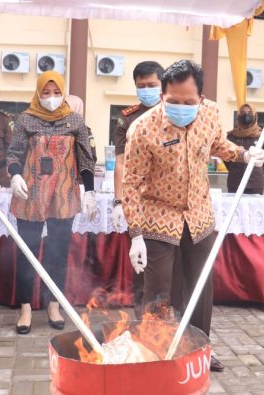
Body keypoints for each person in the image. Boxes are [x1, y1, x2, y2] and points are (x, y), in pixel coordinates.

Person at [122, 60, 264, 372]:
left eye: (189, 102)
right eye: (173, 101)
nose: (181, 107)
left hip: (199, 217)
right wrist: (135, 236)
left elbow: (218, 144)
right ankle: (157, 354)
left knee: (200, 288)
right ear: (163, 95)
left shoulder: (210, 114)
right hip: (157, 218)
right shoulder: (143, 129)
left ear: (201, 99)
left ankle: (198, 350)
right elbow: (130, 184)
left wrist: (244, 155)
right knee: (159, 291)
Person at [6, 71, 98, 335]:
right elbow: (13, 153)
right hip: (30, 194)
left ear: (63, 93)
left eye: (56, 93)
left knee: (58, 253)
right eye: (46, 93)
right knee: (28, 252)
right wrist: (14, 175)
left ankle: (53, 304)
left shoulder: (74, 120)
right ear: (38, 94)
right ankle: (25, 307)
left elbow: (86, 158)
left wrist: (89, 191)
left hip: (64, 193)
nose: (51, 98)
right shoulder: (26, 119)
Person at [111, 60, 166, 313]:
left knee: (169, 261)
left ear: (162, 85)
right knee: (141, 259)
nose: (146, 90)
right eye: (141, 86)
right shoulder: (127, 119)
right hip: (139, 199)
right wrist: (119, 201)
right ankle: (142, 317)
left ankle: (170, 317)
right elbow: (120, 162)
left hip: (169, 199)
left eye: (151, 85)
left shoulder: (174, 112)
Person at [224, 103, 264, 194]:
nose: (246, 115)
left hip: (255, 182)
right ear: (238, 116)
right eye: (242, 112)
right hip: (235, 181)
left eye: (249, 113)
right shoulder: (231, 136)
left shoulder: (262, 136)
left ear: (255, 116)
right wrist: (235, 168)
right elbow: (226, 157)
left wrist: (257, 170)